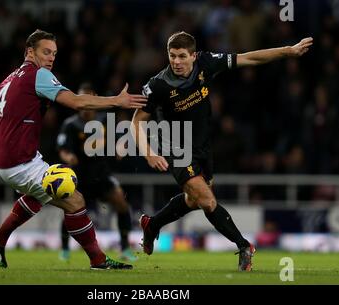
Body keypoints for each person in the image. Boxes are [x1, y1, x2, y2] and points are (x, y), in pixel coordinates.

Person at [0, 29, 147, 270]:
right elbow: (77, 102)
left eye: (54, 53)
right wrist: (116, 101)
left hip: (4, 161)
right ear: (30, 52)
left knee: (40, 195)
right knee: (74, 198)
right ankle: (98, 260)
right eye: (46, 52)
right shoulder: (38, 75)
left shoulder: (6, 81)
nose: (51, 58)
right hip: (18, 162)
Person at [131, 31, 312, 271]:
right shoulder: (158, 85)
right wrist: (149, 153)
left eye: (182, 56)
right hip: (176, 147)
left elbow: (250, 58)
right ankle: (244, 245)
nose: (176, 61)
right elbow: (136, 121)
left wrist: (287, 51)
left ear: (193, 56)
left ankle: (152, 225)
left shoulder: (206, 63)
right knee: (207, 200)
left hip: (203, 147)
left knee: (193, 200)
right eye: (172, 56)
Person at [57, 83, 137, 262]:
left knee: (122, 204)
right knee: (70, 211)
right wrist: (68, 156)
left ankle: (124, 248)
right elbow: (62, 148)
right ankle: (64, 249)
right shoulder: (70, 125)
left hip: (101, 174)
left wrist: (119, 147)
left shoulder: (104, 120)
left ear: (93, 98)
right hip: (79, 176)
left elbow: (119, 140)